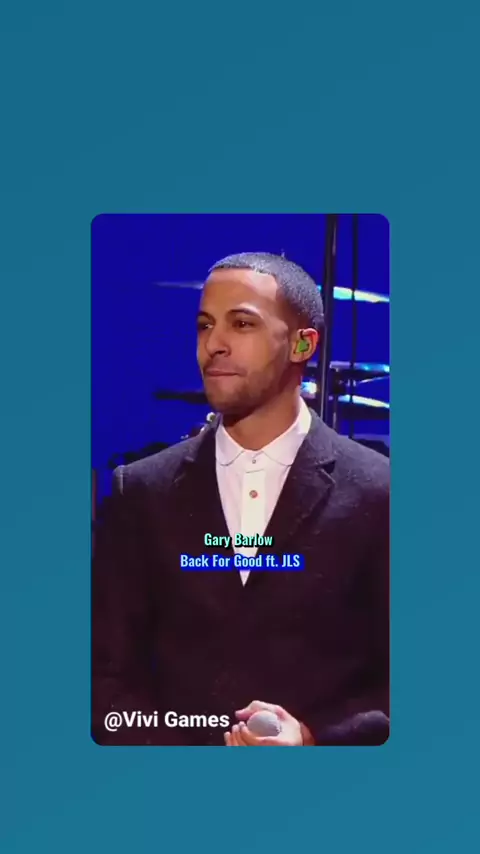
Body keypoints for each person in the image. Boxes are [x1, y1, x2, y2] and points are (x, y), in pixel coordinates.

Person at [92, 252, 389, 747]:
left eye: (242, 323)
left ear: (302, 344)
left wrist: (313, 738)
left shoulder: (380, 492)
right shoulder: (140, 492)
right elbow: (105, 675)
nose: (214, 344)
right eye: (205, 325)